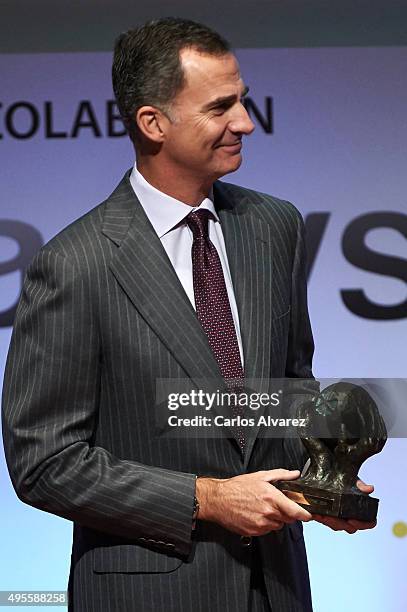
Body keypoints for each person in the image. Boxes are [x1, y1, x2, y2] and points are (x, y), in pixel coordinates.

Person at [1, 17, 375, 612]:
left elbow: (287, 388)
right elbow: (44, 462)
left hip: (277, 587)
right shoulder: (76, 263)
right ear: (153, 123)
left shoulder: (274, 226)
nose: (246, 123)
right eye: (221, 107)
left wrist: (319, 476)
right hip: (150, 595)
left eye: (243, 101)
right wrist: (207, 498)